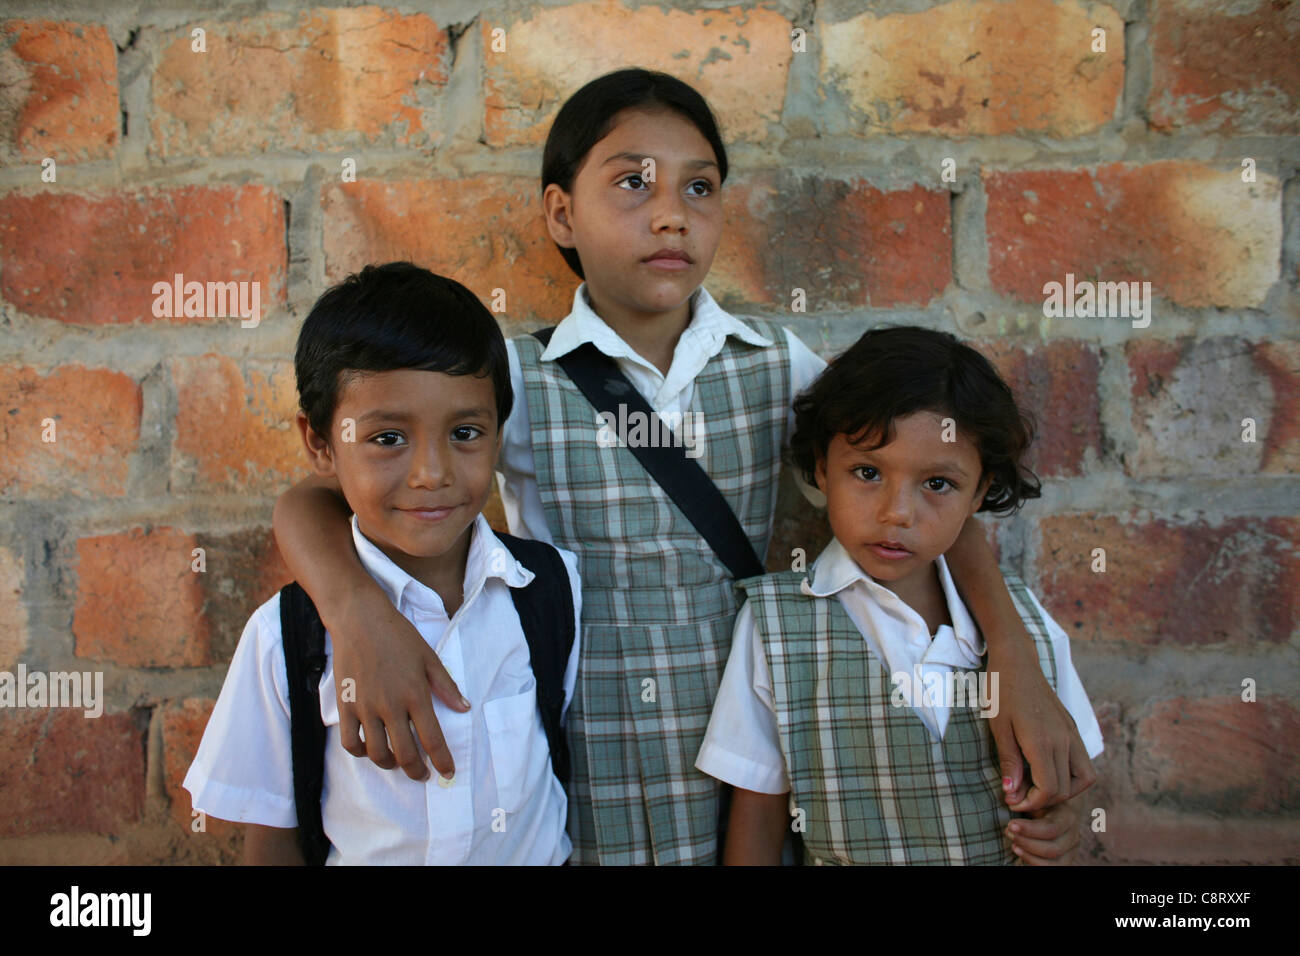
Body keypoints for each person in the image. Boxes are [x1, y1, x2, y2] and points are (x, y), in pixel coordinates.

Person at [271, 69, 1094, 866]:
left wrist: (1013, 656)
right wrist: (357, 614)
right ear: (561, 214)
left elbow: (925, 481)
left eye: (699, 189)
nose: (671, 217)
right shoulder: (519, 380)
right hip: (588, 749)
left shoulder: (779, 364)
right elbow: (309, 498)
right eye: (633, 183)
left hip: (754, 742)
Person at [184, 262, 581, 864]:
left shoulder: (551, 592)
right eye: (388, 438)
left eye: (466, 433)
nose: (433, 474)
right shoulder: (284, 639)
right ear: (320, 444)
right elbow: (272, 840)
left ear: (499, 434)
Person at [698, 326, 1104, 865]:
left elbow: (1066, 783)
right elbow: (758, 818)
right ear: (822, 468)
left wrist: (1062, 826)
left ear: (979, 492)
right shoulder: (774, 627)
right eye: (867, 472)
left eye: (938, 484)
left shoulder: (1028, 629)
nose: (898, 513)